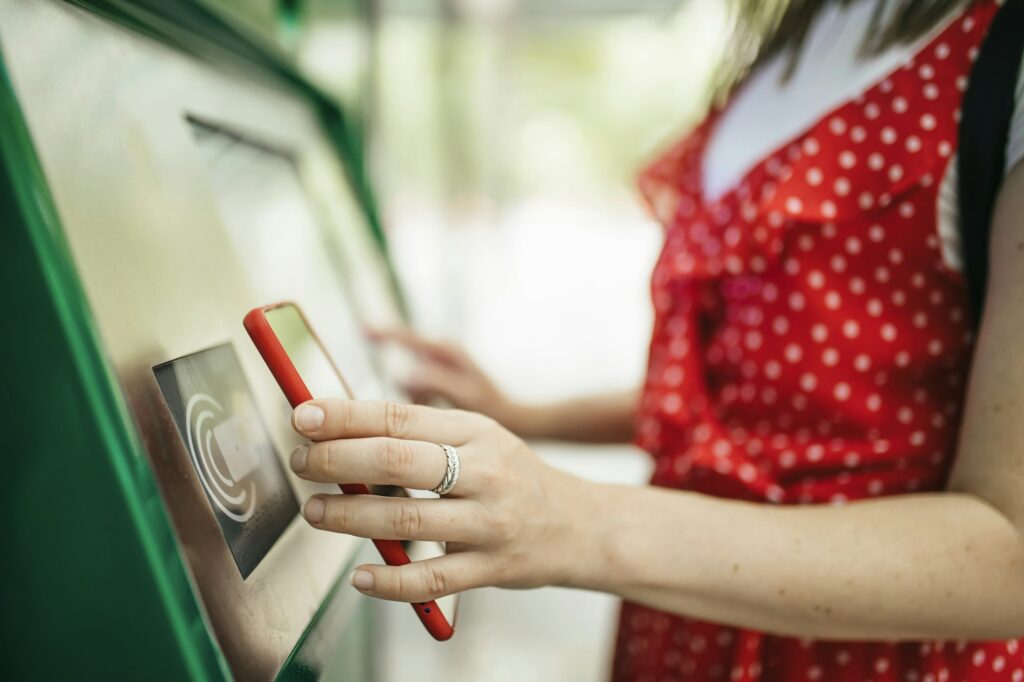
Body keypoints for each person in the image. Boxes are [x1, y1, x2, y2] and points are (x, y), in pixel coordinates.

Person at [287, 0, 1024, 679]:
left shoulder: (1000, 46)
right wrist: (529, 416)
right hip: (680, 624)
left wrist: (576, 519)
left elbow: (1010, 553)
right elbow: (755, 402)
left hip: (862, 657)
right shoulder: (795, 40)